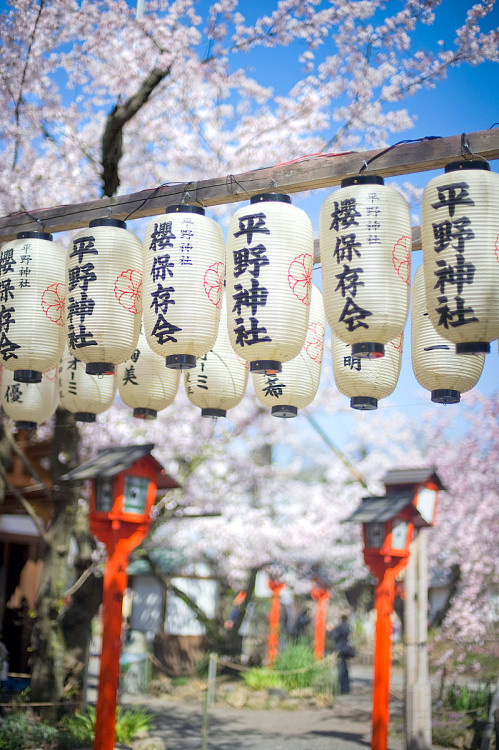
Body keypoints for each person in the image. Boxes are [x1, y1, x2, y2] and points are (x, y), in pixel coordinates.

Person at [331, 614, 353, 694]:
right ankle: (346, 687)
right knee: (346, 669)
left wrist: (331, 629)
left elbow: (334, 636)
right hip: (346, 649)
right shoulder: (349, 627)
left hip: (340, 648)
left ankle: (343, 688)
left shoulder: (340, 627)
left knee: (342, 668)